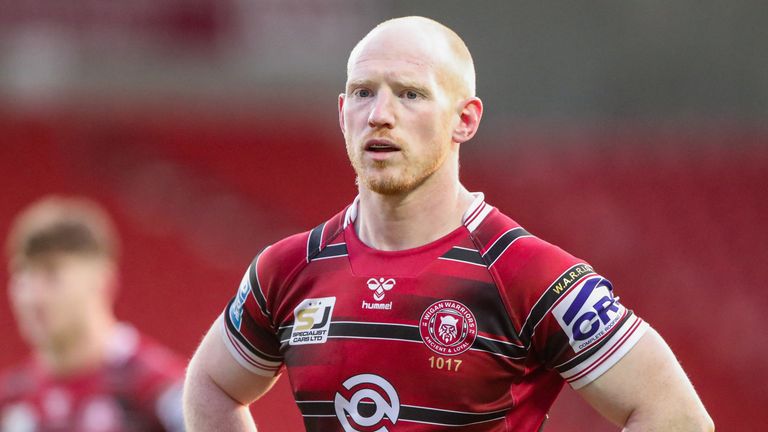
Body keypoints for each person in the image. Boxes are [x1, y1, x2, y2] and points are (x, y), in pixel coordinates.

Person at [183, 16, 714, 432]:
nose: (380, 114)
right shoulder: (287, 269)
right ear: (342, 110)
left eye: (410, 94)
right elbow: (210, 385)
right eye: (364, 92)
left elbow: (675, 415)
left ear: (465, 119)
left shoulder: (529, 274)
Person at [1, 196, 186, 432]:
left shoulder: (157, 388)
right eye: (22, 274)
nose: (32, 296)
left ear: (101, 280)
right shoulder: (12, 401)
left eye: (52, 274)